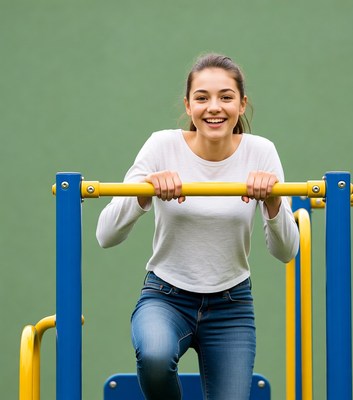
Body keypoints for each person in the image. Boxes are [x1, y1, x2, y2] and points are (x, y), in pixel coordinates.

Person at [96, 53, 299, 400]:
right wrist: (145, 194)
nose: (214, 108)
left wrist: (273, 201)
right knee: (155, 355)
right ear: (189, 106)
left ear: (242, 104)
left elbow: (286, 251)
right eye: (202, 98)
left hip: (231, 304)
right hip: (166, 295)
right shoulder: (162, 146)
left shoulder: (261, 152)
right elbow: (106, 235)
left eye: (226, 96)